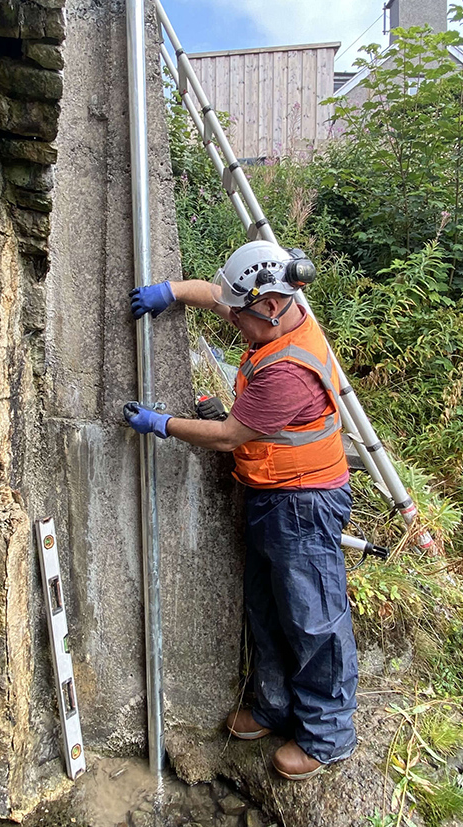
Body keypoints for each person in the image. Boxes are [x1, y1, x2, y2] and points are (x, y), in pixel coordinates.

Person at [123, 240, 357, 781]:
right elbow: (220, 299)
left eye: (244, 316)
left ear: (272, 306)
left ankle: (328, 734)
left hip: (304, 501)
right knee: (268, 607)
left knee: (313, 617)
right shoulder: (271, 308)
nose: (235, 323)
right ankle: (274, 708)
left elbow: (229, 436)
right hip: (271, 495)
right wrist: (170, 293)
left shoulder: (289, 370)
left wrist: (162, 424)